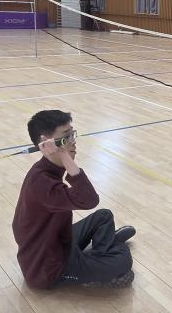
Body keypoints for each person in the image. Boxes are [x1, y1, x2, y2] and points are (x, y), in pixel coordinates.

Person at [12, 110, 136, 289]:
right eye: (66, 137)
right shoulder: (42, 183)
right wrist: (64, 155)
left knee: (104, 216)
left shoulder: (44, 170)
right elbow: (89, 200)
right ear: (46, 143)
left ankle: (104, 249)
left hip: (57, 240)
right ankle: (109, 246)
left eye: (72, 134)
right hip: (49, 270)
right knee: (123, 261)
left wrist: (62, 153)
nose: (73, 141)